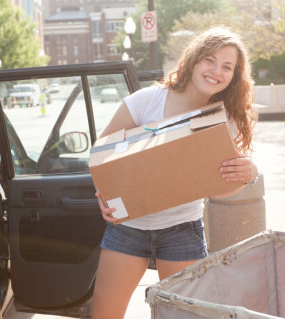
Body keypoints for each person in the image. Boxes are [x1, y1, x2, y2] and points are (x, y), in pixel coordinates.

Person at [91, 26, 259, 319]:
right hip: (129, 227)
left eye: (227, 67)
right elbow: (101, 156)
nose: (216, 70)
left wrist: (247, 174)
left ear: (234, 76)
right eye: (210, 60)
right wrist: (103, 198)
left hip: (183, 230)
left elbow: (217, 188)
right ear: (194, 59)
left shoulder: (224, 121)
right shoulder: (147, 101)